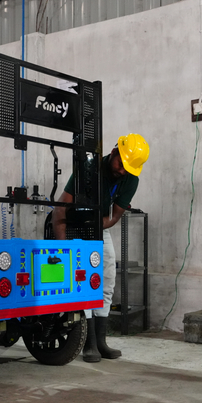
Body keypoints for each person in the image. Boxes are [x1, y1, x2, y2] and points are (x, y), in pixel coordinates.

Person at [52, 134, 149, 363]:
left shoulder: (131, 179)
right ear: (114, 151)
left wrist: (93, 227)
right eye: (121, 164)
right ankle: (89, 343)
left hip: (98, 226)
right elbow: (60, 210)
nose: (122, 171)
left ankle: (101, 342)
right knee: (84, 282)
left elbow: (114, 217)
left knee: (107, 278)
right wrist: (63, 249)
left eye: (128, 168)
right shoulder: (88, 169)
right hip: (73, 227)